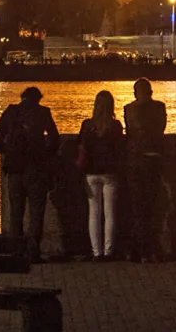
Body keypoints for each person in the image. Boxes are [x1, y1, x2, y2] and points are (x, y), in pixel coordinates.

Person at [0, 87, 60, 263]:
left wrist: (9, 153)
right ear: (38, 98)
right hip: (36, 170)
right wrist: (44, 154)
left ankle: (16, 252)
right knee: (36, 212)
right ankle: (33, 252)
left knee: (16, 212)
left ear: (22, 97)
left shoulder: (10, 113)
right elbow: (55, 139)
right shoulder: (43, 112)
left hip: (15, 170)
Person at [76, 91, 125, 261]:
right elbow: (120, 149)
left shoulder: (87, 125)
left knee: (94, 213)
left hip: (91, 173)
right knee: (110, 213)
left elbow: (81, 146)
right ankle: (108, 251)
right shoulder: (116, 126)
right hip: (110, 173)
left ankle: (96, 252)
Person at [123, 78, 167, 263]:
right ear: (151, 91)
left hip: (135, 159)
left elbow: (130, 132)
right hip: (153, 157)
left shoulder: (128, 108)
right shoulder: (159, 107)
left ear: (135, 92)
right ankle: (151, 248)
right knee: (152, 205)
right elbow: (161, 129)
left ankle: (139, 249)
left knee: (138, 206)